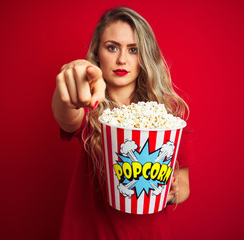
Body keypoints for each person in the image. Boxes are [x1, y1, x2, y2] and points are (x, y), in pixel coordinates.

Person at [52, 6, 194, 240]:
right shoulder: (91, 108)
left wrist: (175, 191)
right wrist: (73, 74)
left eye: (133, 50)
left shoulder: (168, 117)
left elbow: (184, 186)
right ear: (98, 53)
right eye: (112, 47)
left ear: (145, 55)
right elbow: (66, 115)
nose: (121, 59)